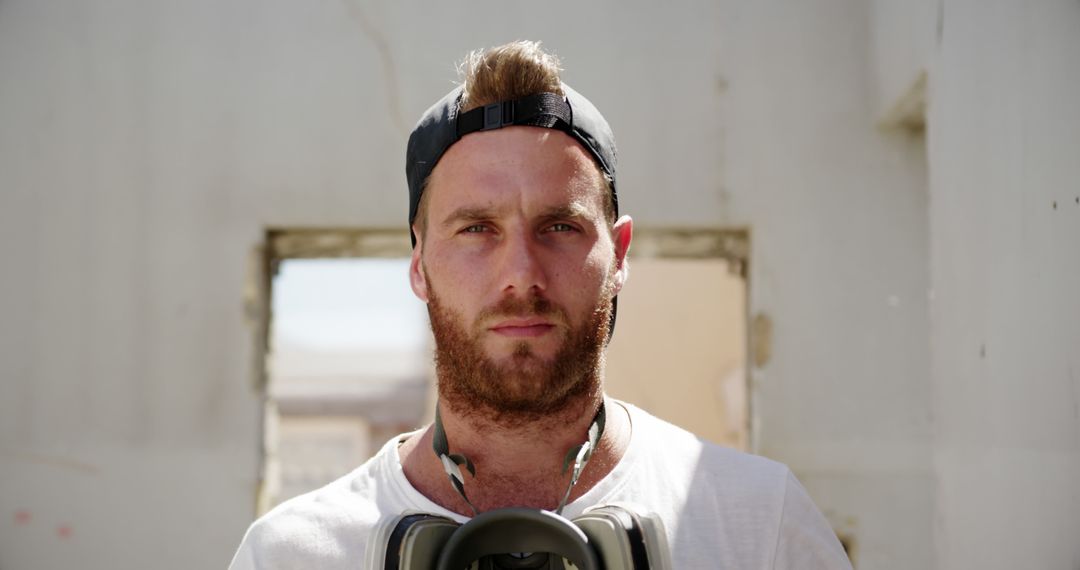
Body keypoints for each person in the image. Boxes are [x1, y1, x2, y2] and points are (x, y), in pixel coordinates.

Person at [229, 40, 852, 570]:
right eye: (476, 229)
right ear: (418, 263)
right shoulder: (293, 553)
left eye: (559, 227)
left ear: (620, 252)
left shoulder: (761, 526)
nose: (521, 274)